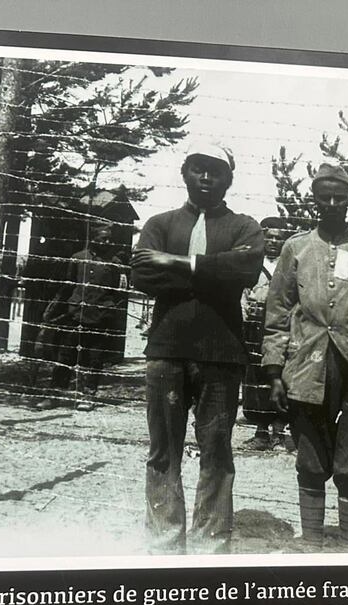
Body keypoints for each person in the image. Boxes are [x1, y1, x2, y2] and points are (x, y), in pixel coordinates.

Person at [130, 143, 263, 554]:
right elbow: (142, 273)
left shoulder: (244, 227)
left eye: (216, 172)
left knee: (217, 453)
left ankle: (210, 546)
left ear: (229, 180)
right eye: (199, 169)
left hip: (221, 355)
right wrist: (211, 271)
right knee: (163, 452)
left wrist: (176, 263)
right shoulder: (160, 222)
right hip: (167, 351)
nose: (207, 178)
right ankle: (165, 543)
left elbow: (245, 270)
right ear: (185, 173)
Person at [262, 163, 348, 550]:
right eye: (325, 197)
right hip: (305, 367)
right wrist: (274, 372)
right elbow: (278, 312)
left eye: (340, 197)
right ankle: (313, 543)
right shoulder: (296, 248)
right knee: (310, 458)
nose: (332, 203)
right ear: (314, 200)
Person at [36, 224, 128, 411]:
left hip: (100, 317)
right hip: (75, 315)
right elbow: (68, 286)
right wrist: (56, 309)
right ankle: (54, 395)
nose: (107, 242)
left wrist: (109, 308)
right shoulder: (78, 258)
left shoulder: (116, 263)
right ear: (93, 238)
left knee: (94, 358)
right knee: (65, 356)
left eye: (109, 239)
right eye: (103, 238)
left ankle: (87, 396)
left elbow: (121, 292)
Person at [241, 217, 295, 451]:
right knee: (255, 377)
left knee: (282, 375)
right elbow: (242, 293)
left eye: (278, 238)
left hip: (282, 326)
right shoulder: (253, 264)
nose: (273, 242)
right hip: (254, 326)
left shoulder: (290, 264)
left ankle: (279, 432)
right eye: (269, 237)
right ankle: (261, 431)